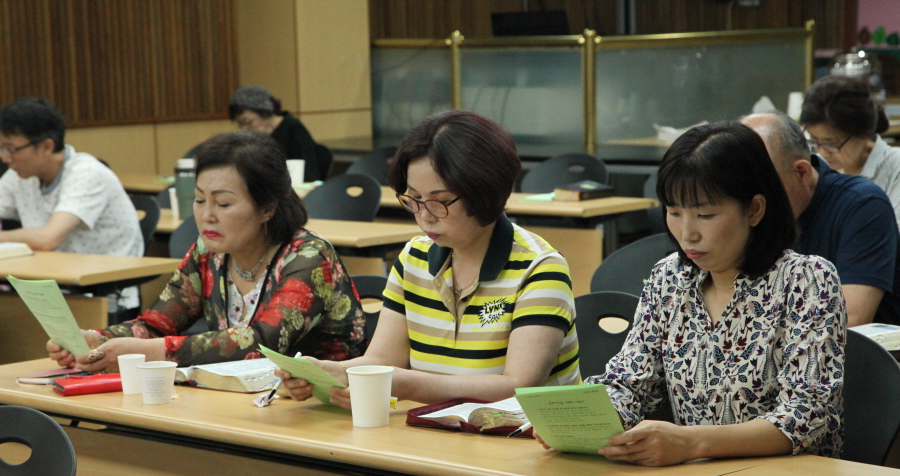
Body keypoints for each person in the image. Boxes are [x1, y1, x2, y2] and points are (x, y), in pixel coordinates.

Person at [537, 122, 845, 467]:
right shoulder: (670, 277)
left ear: (755, 210)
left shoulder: (806, 280)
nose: (686, 233)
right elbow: (630, 383)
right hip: (691, 475)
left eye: (705, 215)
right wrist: (580, 421)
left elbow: (806, 416)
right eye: (673, 212)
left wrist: (692, 443)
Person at [278, 110, 580, 407]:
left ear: (486, 192)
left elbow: (519, 386)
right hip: (434, 428)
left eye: (441, 201)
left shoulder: (539, 268)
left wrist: (408, 384)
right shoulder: (414, 258)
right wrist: (332, 372)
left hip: (527, 435)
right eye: (415, 199)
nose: (424, 216)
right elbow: (383, 359)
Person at [48, 131, 365, 371]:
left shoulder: (309, 258)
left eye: (223, 203)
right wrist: (98, 339)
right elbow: (156, 324)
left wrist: (153, 352)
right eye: (200, 200)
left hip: (323, 406)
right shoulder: (209, 253)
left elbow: (264, 343)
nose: (206, 215)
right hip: (243, 400)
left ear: (267, 207)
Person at [743, 111, 900, 326]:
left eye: (762, 186)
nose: (752, 202)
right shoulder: (744, 212)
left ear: (801, 172)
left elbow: (851, 317)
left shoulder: (862, 205)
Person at [0, 97, 144, 315]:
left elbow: (48, 239)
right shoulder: (20, 175)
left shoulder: (87, 173)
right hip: (51, 288)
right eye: (3, 148)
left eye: (11, 149)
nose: (5, 158)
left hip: (104, 297)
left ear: (46, 146)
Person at [799, 75, 900, 231]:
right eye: (814, 140)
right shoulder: (816, 169)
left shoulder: (895, 167)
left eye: (832, 143)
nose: (822, 152)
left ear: (862, 133)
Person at [228, 84, 323, 181]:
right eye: (240, 124)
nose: (244, 129)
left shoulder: (294, 130)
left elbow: (309, 174)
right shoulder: (260, 137)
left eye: (248, 122)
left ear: (264, 113)